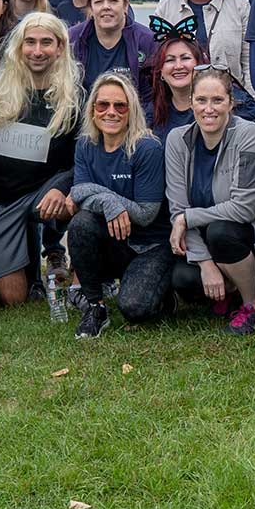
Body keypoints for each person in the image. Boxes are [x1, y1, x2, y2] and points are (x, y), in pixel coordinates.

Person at [0, 12, 81, 306]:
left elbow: (83, 158)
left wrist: (61, 186)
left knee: (79, 203)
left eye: (46, 42)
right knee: (11, 297)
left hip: (42, 197)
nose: (37, 51)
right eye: (29, 42)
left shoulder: (73, 97)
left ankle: (81, 278)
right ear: (18, 48)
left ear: (60, 47)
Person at [165, 68, 255, 333]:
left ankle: (253, 306)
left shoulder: (249, 134)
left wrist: (187, 218)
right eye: (201, 100)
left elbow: (245, 208)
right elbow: (178, 208)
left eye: (217, 100)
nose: (209, 109)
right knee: (183, 278)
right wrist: (204, 263)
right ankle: (229, 289)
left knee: (221, 231)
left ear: (231, 102)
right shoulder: (176, 140)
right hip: (205, 241)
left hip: (249, 238)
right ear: (190, 102)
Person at [66, 71, 172, 337]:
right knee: (81, 224)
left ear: (131, 109)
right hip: (113, 239)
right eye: (102, 105)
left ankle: (163, 293)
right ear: (92, 110)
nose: (110, 112)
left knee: (134, 308)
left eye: (119, 105)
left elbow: (146, 214)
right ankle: (95, 306)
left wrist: (103, 198)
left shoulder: (147, 147)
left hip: (149, 245)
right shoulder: (85, 144)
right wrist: (107, 200)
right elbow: (78, 193)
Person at [152, 0, 253, 97]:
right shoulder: (166, 6)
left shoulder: (240, 6)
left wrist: (253, 102)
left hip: (230, 101)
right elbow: (158, 59)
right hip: (180, 102)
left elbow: (249, 62)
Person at [70, 0, 154, 96]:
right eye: (98, 2)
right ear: (90, 8)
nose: (106, 7)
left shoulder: (147, 40)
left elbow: (151, 96)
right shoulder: (73, 39)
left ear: (126, 5)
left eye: (113, 1)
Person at [147, 36, 204, 139]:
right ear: (160, 71)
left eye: (185, 58)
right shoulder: (153, 110)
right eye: (169, 60)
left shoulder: (219, 106)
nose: (178, 66)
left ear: (199, 64)